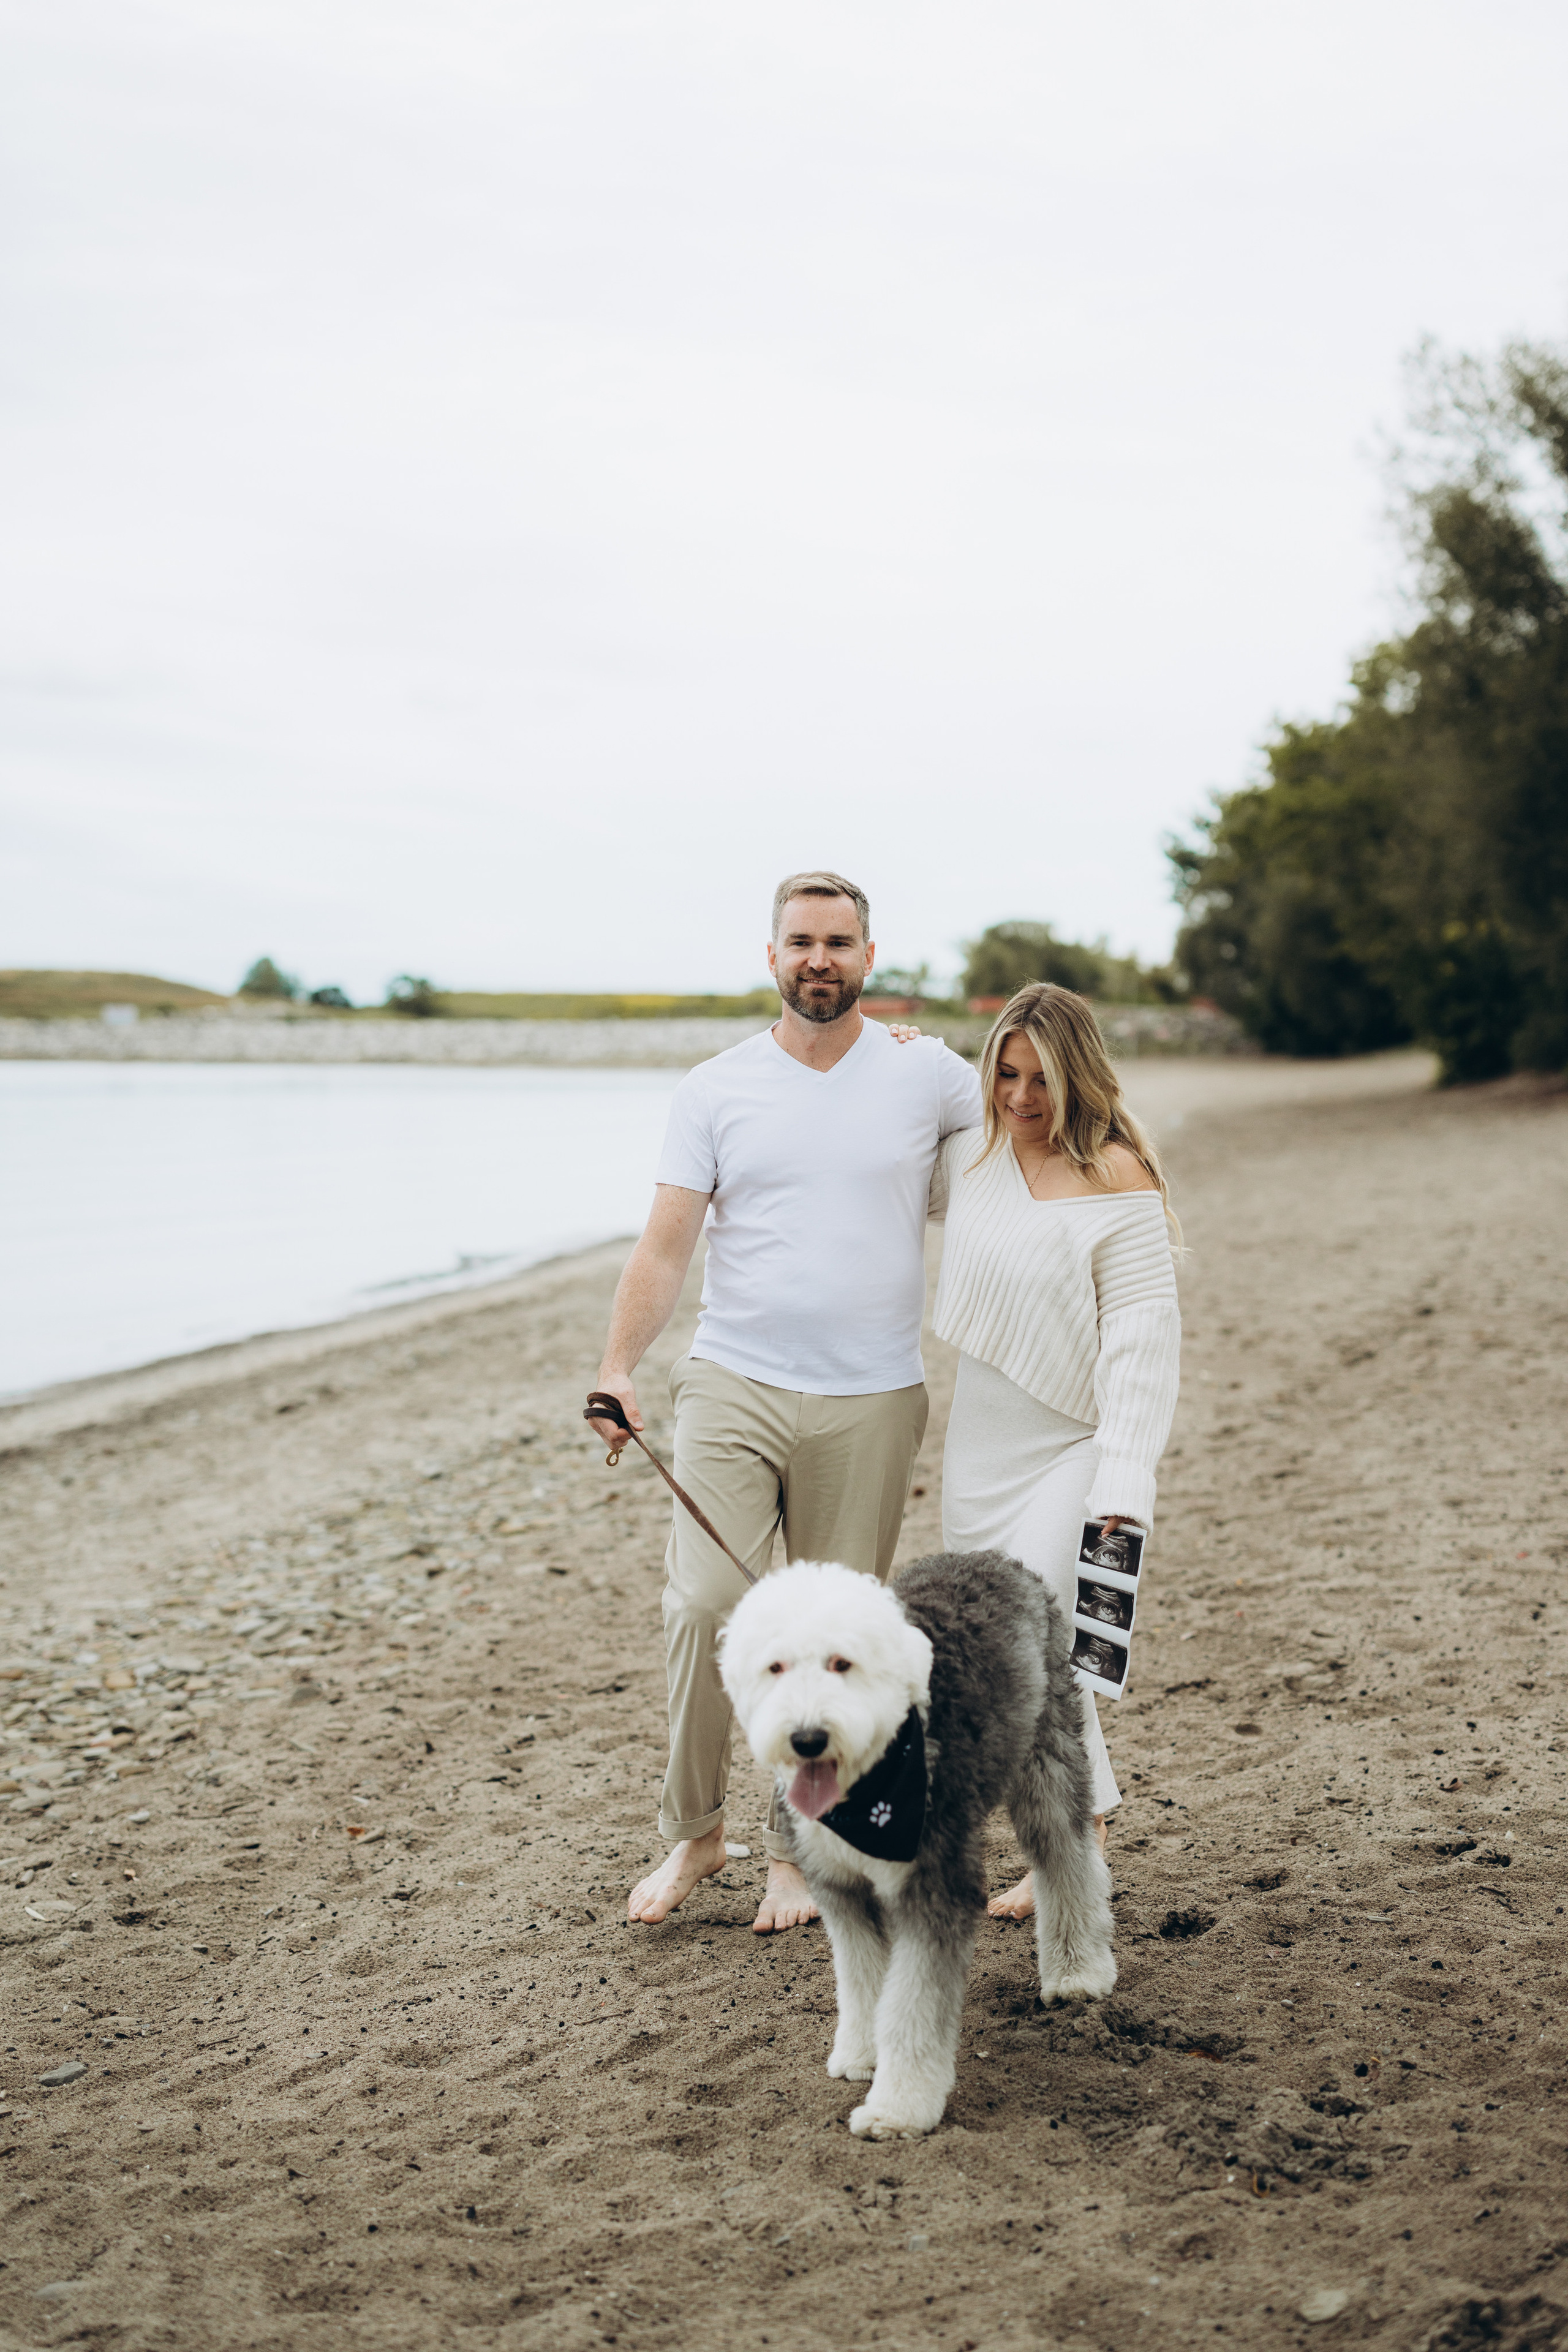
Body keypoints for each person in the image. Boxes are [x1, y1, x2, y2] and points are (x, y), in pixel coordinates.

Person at [589, 872, 982, 1932]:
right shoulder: (715, 1088)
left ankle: (795, 1852)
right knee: (707, 1605)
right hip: (733, 1380)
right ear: (772, 957)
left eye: (840, 942)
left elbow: (1027, 1133)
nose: (821, 959)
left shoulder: (931, 1077)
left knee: (834, 1638)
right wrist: (620, 1366)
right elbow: (666, 1245)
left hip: (872, 1396)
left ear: (869, 958)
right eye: (801, 940)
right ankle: (696, 1833)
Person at [927, 981, 1181, 1918]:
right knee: (1027, 1656)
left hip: (1073, 1444)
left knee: (1031, 1632)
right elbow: (864, 1166)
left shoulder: (1119, 1176)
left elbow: (1144, 1345)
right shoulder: (972, 1157)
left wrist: (1124, 1474)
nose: (1022, 1098)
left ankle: (1075, 1836)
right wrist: (902, 1052)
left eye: (1041, 1079)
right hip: (979, 1452)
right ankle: (1075, 1830)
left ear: (1078, 1077)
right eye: (1005, 1073)